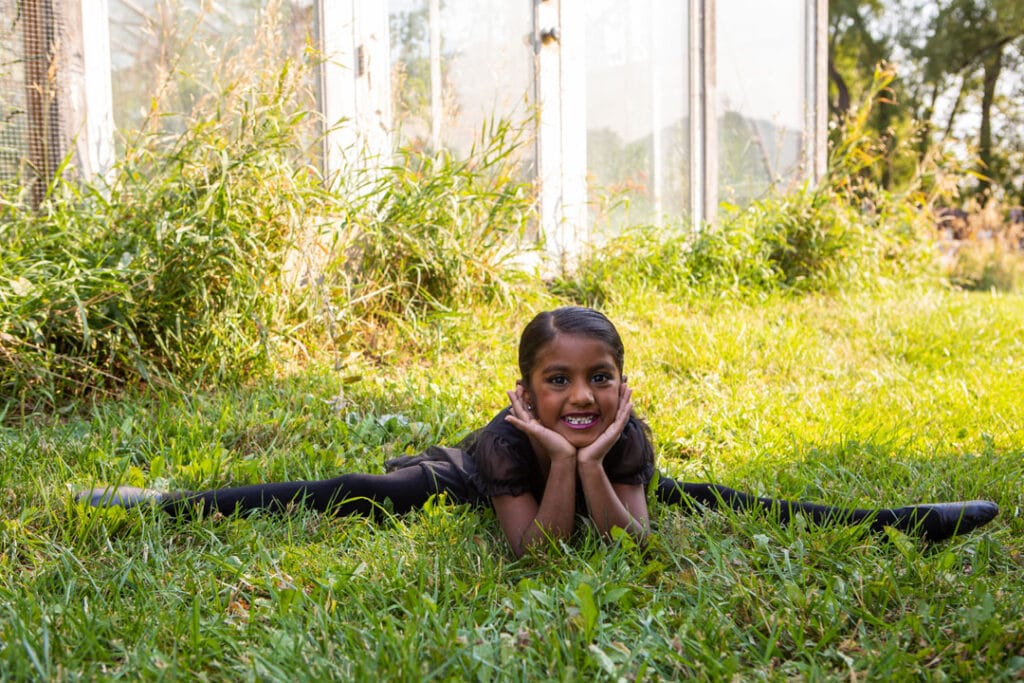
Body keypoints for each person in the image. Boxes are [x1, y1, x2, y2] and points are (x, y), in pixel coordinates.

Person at [80, 307, 999, 557]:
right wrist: (558, 451)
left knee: (724, 495)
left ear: (621, 383)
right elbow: (539, 550)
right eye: (557, 382)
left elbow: (628, 539)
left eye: (598, 380)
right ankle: (171, 502)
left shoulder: (619, 429)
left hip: (576, 467)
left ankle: (898, 518)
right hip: (488, 475)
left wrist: (596, 455)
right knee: (371, 492)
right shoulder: (512, 438)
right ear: (525, 392)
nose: (581, 396)